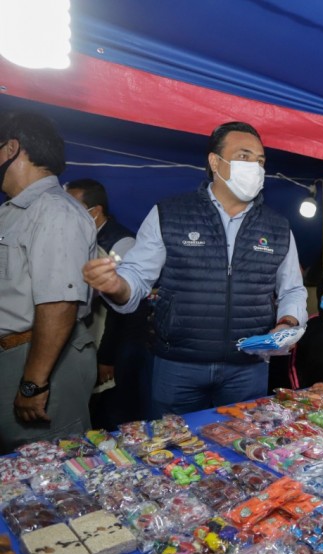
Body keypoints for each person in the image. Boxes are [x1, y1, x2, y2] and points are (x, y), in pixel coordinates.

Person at [82, 121, 307, 416]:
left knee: (241, 448)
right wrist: (116, 287)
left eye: (260, 160)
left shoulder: (278, 227)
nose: (255, 166)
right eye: (244, 156)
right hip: (178, 366)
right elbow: (135, 277)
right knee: (174, 449)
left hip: (247, 368)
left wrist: (288, 323)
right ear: (215, 161)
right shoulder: (170, 213)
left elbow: (292, 288)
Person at [0, 111, 97, 453]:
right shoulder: (14, 210)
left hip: (38, 359)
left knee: (50, 469)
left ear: (11, 148)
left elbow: (59, 303)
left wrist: (32, 384)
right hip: (16, 354)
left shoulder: (54, 211)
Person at [65, 178, 152, 428]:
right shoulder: (87, 237)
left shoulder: (122, 243)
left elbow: (126, 309)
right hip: (95, 338)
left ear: (95, 211)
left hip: (120, 343)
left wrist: (108, 357)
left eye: (73, 206)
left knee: (116, 412)